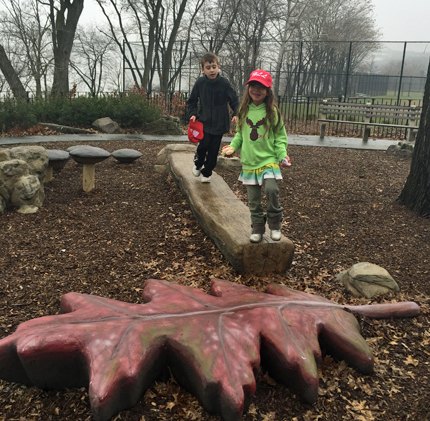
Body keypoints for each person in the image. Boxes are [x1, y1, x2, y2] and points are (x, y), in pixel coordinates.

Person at [222, 69, 291, 243]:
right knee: (253, 200)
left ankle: (275, 224)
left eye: (261, 87)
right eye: (253, 85)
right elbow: (240, 134)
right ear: (248, 88)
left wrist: (282, 155)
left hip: (268, 160)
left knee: (271, 190)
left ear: (267, 91)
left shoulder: (272, 112)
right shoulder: (243, 110)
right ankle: (258, 228)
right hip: (249, 162)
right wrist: (233, 147)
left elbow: (280, 137)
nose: (256, 90)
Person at [187, 52, 239, 183]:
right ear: (203, 70)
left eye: (214, 67)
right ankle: (198, 163)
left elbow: (234, 99)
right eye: (208, 68)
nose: (212, 70)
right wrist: (193, 113)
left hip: (219, 123)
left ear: (218, 67)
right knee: (203, 145)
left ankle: (207, 172)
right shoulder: (200, 83)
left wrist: (236, 113)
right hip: (204, 121)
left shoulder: (224, 83)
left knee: (213, 150)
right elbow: (192, 101)